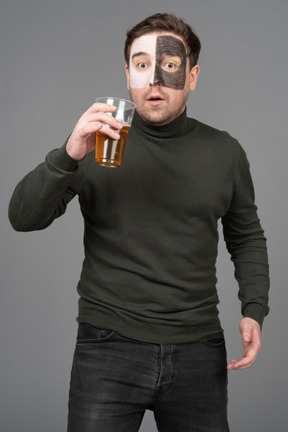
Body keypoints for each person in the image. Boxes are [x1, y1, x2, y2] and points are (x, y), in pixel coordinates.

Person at [8, 12, 269, 432]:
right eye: (142, 64)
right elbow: (22, 218)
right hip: (107, 349)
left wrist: (254, 309)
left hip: (198, 351)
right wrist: (69, 152)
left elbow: (247, 236)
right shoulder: (97, 142)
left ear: (193, 76)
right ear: (127, 72)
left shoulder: (225, 152)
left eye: (169, 65)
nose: (154, 80)